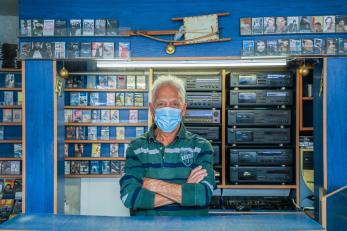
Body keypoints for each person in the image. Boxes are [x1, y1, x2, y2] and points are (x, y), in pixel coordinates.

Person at [120, 76, 215, 216]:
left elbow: (202, 195)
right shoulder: (136, 147)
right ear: (152, 109)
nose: (168, 110)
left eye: (175, 104)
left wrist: (152, 184)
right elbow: (130, 197)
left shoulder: (201, 147)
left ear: (183, 109)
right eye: (161, 104)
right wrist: (186, 189)